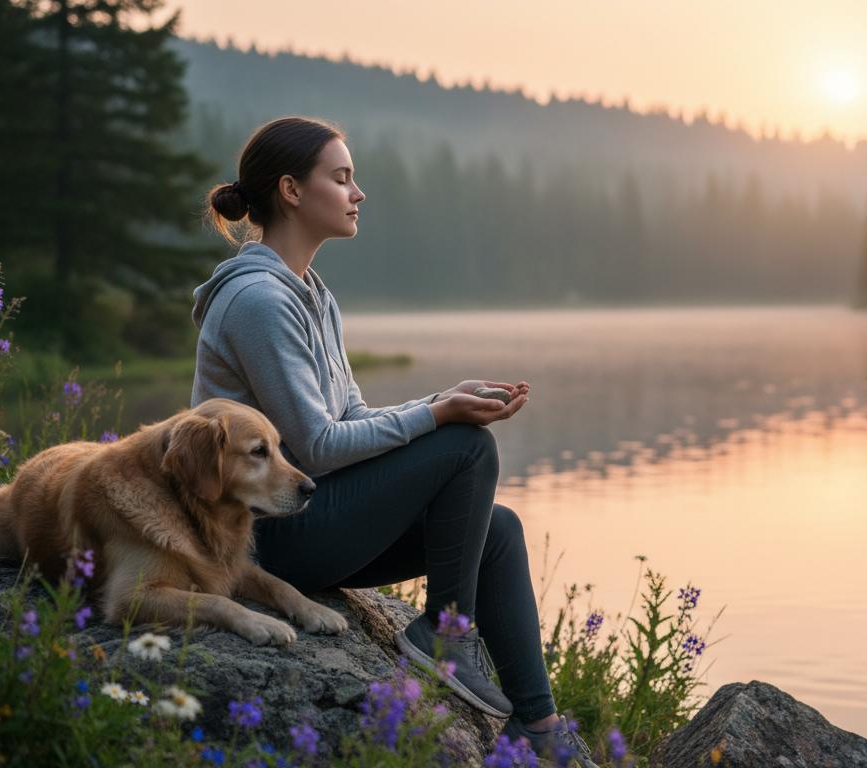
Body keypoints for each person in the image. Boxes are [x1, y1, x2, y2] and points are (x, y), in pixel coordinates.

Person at [193, 115, 597, 765]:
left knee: (497, 530)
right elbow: (320, 446)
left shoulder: (311, 295)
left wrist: (439, 400)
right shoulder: (259, 302)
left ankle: (539, 729)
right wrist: (440, 419)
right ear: (292, 191)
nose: (359, 193)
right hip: (258, 536)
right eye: (343, 178)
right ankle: (443, 632)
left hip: (306, 516)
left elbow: (348, 412)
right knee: (467, 448)